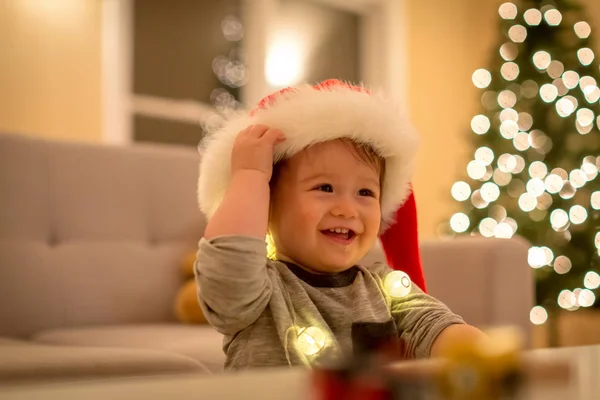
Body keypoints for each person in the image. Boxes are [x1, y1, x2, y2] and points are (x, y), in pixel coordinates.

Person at [195, 79, 485, 370]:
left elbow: (433, 325)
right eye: (324, 188)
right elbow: (229, 269)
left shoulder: (387, 289)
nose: (347, 209)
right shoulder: (260, 293)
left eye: (365, 193)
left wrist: (482, 354)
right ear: (267, 204)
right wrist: (249, 175)